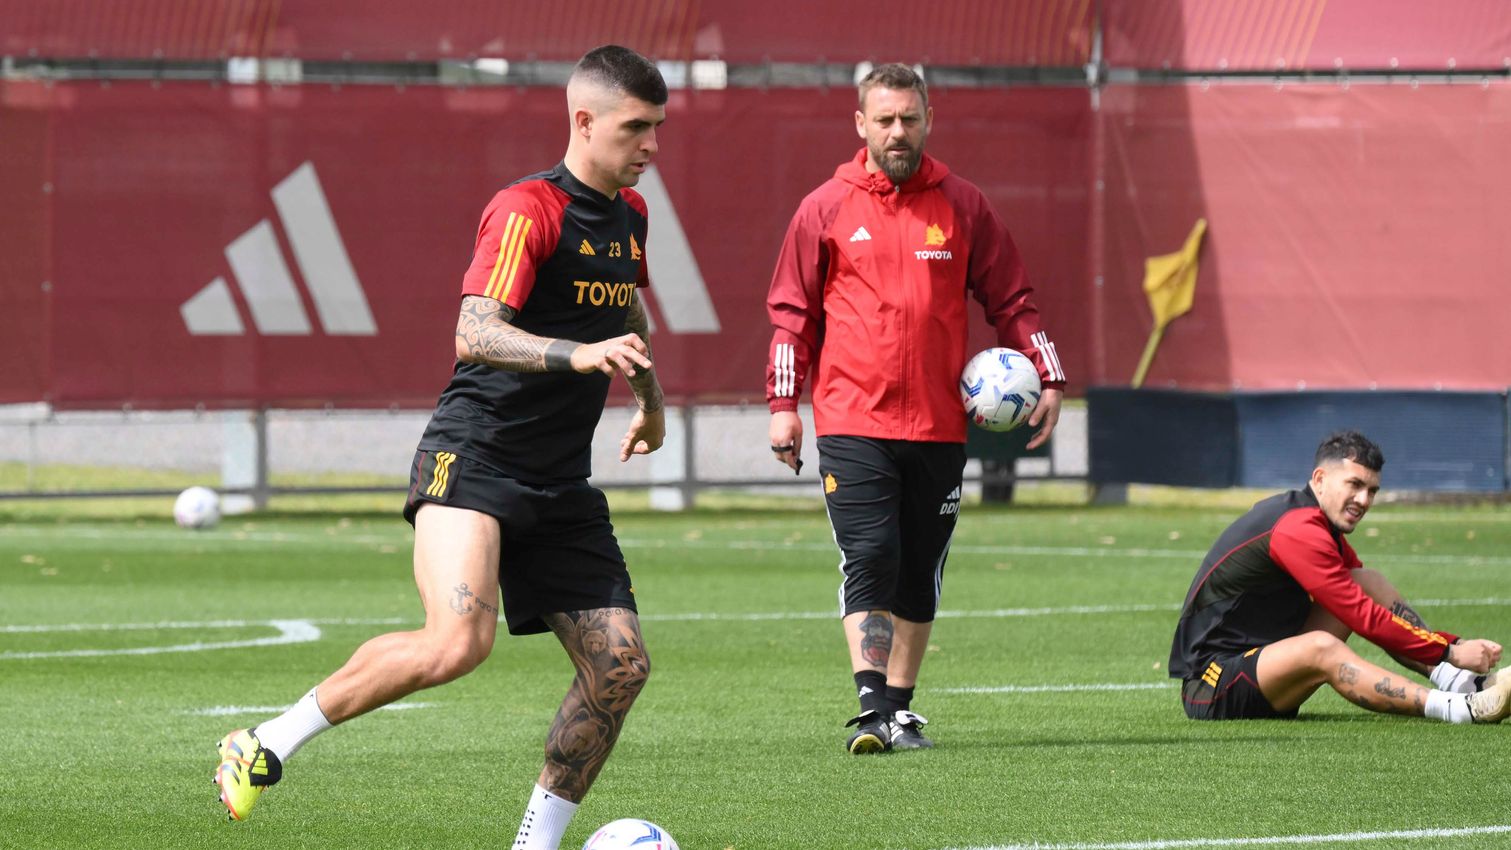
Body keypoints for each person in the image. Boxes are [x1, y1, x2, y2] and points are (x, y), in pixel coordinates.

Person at [213, 45, 670, 850]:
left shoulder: (628, 216)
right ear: (584, 120)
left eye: (657, 128)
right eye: (636, 128)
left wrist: (651, 403)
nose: (651, 145)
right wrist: (577, 355)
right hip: (476, 459)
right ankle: (265, 743)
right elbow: (475, 331)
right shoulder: (527, 208)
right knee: (456, 643)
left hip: (561, 483)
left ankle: (533, 845)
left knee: (620, 668)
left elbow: (625, 315)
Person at [764, 63, 1067, 754]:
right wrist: (783, 403)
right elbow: (791, 315)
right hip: (852, 420)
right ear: (860, 124)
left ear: (929, 119)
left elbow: (1013, 300)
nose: (897, 131)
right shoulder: (823, 208)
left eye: (908, 118)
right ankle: (871, 707)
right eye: (884, 119)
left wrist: (1048, 375)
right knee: (871, 553)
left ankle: (899, 710)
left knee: (920, 565)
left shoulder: (964, 206)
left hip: (938, 424)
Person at [1170, 430, 1510, 724]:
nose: (1363, 500)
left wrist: (1450, 649)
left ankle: (1463, 683)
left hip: (1267, 661)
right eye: (1355, 485)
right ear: (1320, 479)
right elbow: (1360, 616)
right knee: (1323, 648)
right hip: (1213, 683)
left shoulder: (1316, 523)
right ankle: (1462, 708)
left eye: (1372, 490)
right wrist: (1448, 650)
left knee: (1366, 581)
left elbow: (1368, 602)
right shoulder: (1297, 528)